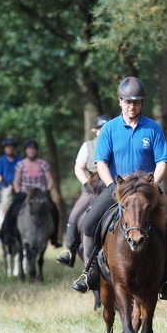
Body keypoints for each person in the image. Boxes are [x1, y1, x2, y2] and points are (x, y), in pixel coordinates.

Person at [71, 77, 167, 300]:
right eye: (127, 101)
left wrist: (153, 185)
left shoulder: (153, 128)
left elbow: (162, 161)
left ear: (142, 103)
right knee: (90, 222)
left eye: (136, 102)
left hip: (147, 192)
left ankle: (165, 279)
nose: (132, 105)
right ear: (120, 102)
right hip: (117, 190)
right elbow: (100, 162)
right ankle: (90, 274)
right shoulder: (109, 129)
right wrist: (111, 186)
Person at [56, 114, 111, 267]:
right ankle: (69, 250)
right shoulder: (88, 146)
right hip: (92, 188)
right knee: (74, 215)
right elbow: (78, 167)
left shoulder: (115, 143)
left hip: (111, 188)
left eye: (107, 128)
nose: (104, 131)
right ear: (95, 131)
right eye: (101, 128)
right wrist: (87, 184)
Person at [0, 139, 61, 248]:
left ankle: (54, 238)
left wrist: (47, 190)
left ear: (36, 150)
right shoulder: (21, 164)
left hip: (40, 194)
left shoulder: (43, 164)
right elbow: (16, 182)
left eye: (33, 149)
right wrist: (18, 192)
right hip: (25, 194)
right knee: (13, 208)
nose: (31, 151)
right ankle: (7, 234)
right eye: (29, 149)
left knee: (54, 210)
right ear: (26, 151)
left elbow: (50, 180)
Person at [0, 138, 22, 241]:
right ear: (4, 149)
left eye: (11, 147)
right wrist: (3, 183)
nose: (10, 149)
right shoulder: (1, 160)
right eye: (8, 147)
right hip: (2, 188)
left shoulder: (19, 160)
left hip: (16, 187)